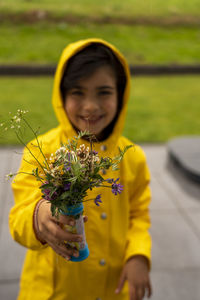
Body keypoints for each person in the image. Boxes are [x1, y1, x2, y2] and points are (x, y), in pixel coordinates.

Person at [9, 38, 152, 300]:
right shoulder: (42, 151)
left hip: (114, 289)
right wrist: (38, 216)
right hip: (54, 292)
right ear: (61, 95)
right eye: (77, 92)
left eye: (104, 92)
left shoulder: (132, 157)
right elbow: (19, 217)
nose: (90, 107)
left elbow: (138, 215)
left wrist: (138, 255)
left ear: (121, 94)